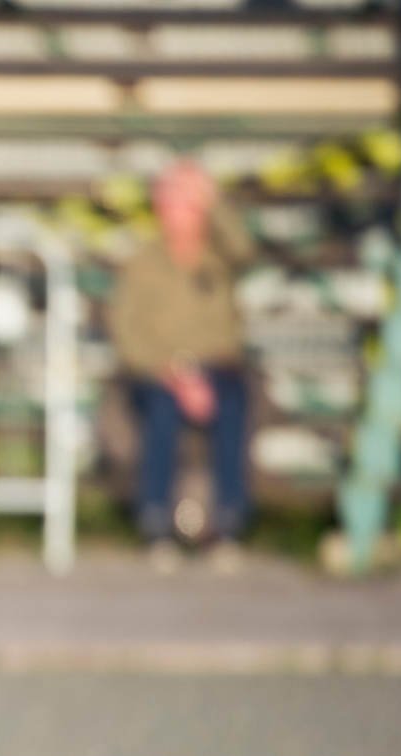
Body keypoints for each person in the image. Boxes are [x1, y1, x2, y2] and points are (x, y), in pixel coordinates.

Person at [109, 160, 255, 573]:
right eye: (173, 203)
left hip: (219, 367)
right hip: (160, 372)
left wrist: (212, 197)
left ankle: (228, 524)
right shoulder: (143, 262)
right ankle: (156, 523)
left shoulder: (220, 255)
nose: (181, 213)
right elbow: (127, 332)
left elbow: (245, 248)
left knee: (232, 409)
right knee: (160, 413)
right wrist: (174, 375)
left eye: (189, 204)